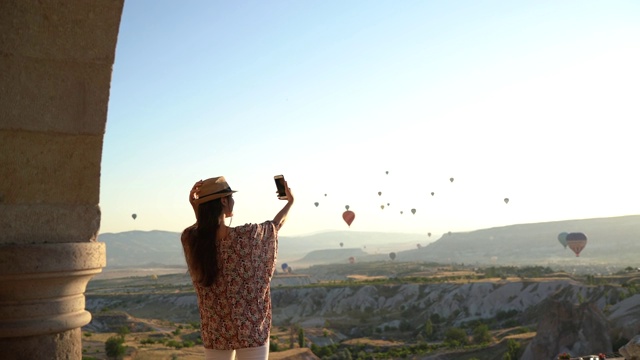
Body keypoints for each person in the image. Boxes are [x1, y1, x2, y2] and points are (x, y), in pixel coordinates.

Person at [181, 176, 294, 360]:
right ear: (224, 201)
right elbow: (275, 226)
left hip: (215, 329)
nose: (233, 201)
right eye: (231, 197)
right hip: (250, 327)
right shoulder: (245, 236)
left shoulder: (191, 240)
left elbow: (203, 231)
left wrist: (197, 207)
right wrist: (290, 203)